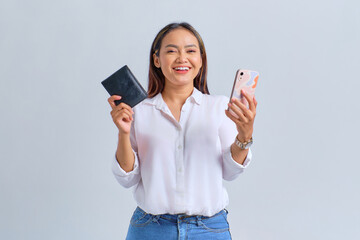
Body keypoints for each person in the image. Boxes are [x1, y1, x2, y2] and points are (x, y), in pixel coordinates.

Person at [107, 22, 257, 240]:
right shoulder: (138, 111)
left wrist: (245, 135)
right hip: (150, 229)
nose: (181, 58)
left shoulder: (219, 108)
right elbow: (127, 179)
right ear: (156, 60)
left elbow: (231, 172)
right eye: (171, 51)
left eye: (190, 50)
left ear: (201, 60)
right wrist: (122, 132)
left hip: (208, 230)